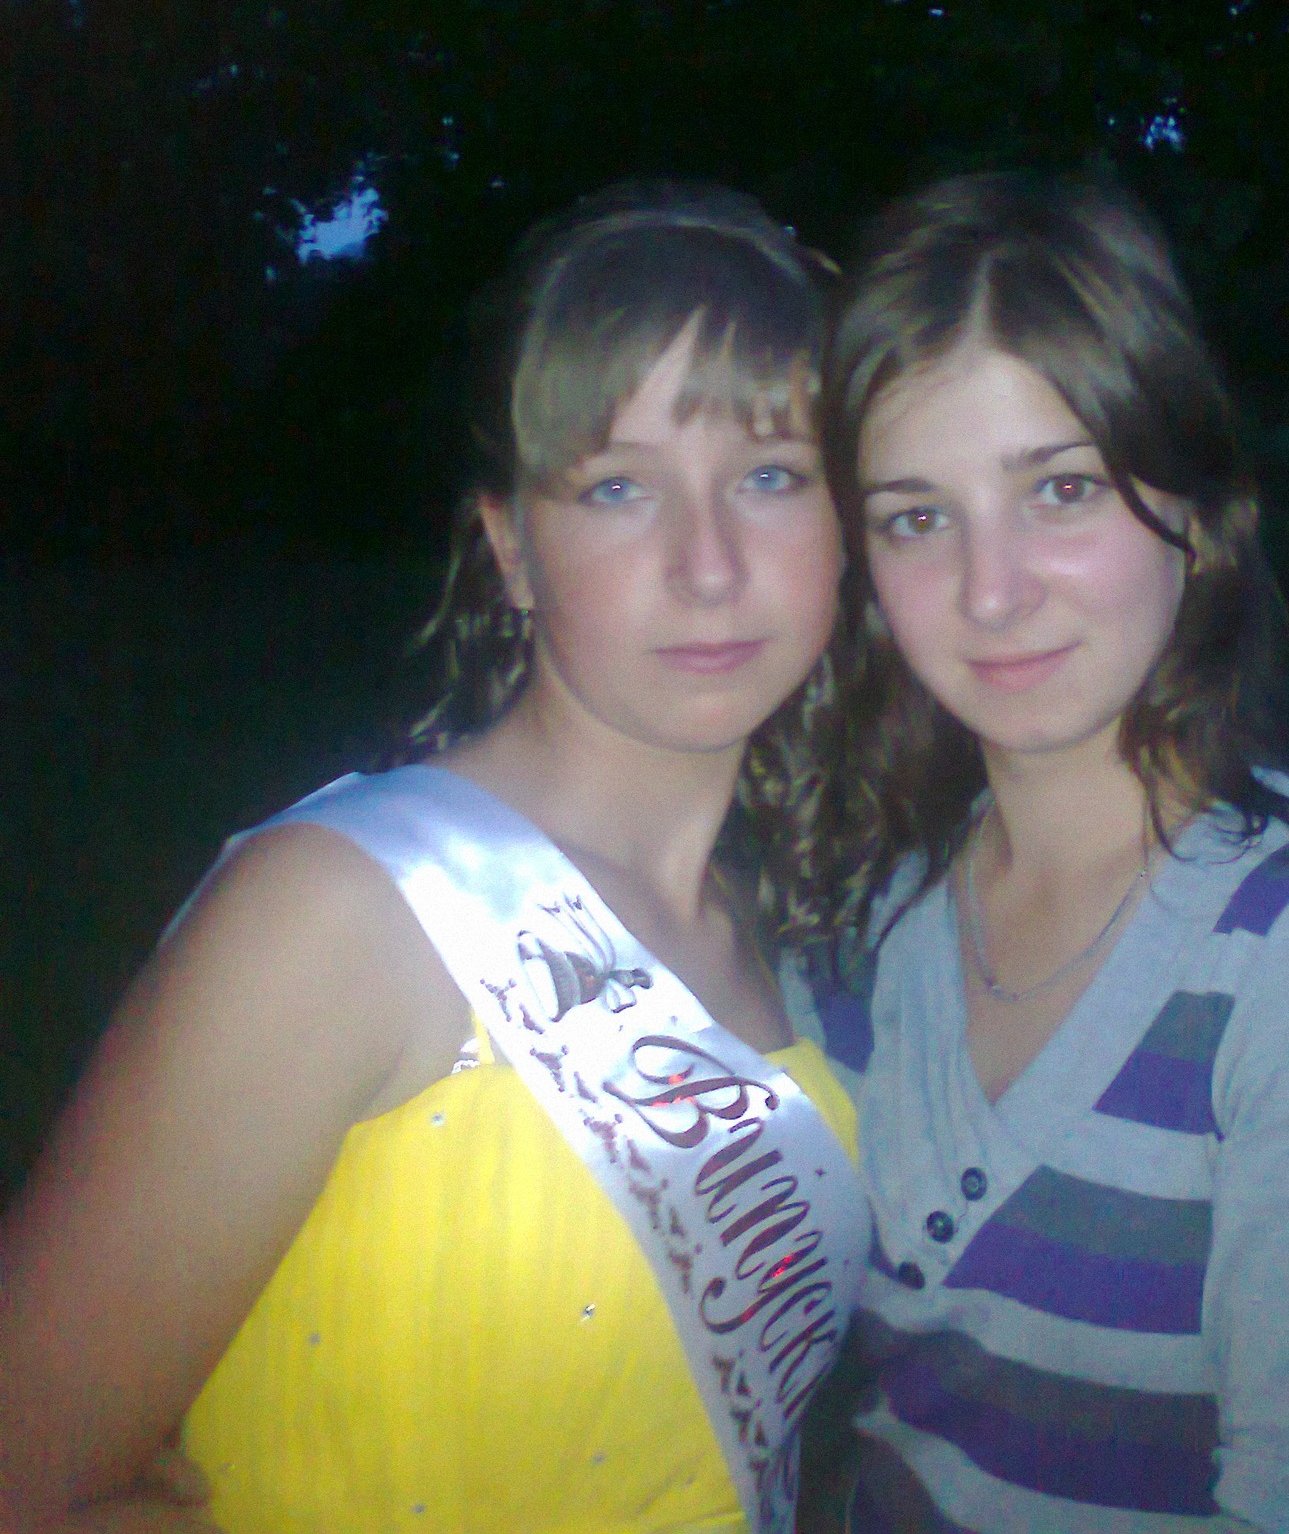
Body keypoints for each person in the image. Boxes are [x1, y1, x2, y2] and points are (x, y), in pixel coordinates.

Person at [0, 183, 870, 1534]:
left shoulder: (780, 931)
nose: (709, 565)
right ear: (512, 551)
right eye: (620, 488)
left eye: (770, 477)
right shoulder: (342, 914)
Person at [786, 169, 1289, 1532]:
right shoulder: (868, 927)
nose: (992, 591)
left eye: (1062, 489)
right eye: (917, 517)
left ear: (1192, 505)